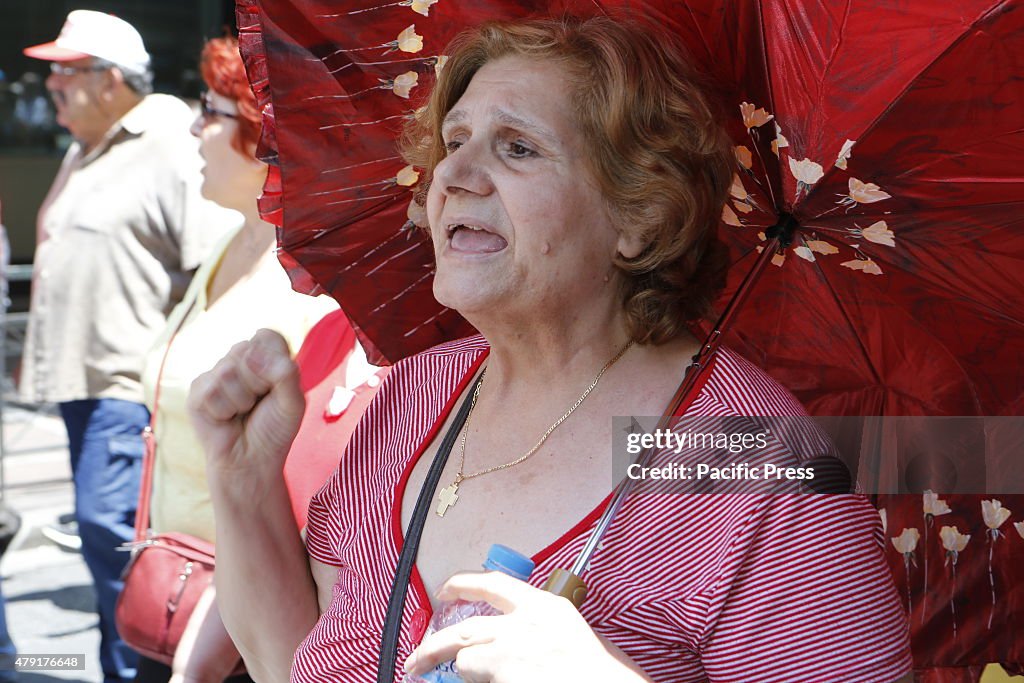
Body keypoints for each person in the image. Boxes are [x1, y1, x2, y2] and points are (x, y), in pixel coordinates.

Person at [189, 16, 914, 682]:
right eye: (455, 141)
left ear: (638, 215)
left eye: (518, 147)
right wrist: (245, 482)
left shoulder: (749, 460)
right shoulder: (411, 396)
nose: (455, 176)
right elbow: (294, 663)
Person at [19, 11, 236, 683]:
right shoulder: (89, 145)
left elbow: (213, 265)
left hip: (130, 389)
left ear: (111, 79)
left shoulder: (171, 137)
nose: (51, 86)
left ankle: (143, 667)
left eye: (65, 72)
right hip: (85, 385)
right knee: (103, 543)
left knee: (115, 540)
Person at [133, 37, 345, 683]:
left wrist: (208, 652)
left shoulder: (312, 277)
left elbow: (308, 479)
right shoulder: (227, 245)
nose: (194, 128)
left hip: (243, 622)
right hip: (178, 577)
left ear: (263, 134)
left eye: (210, 109)